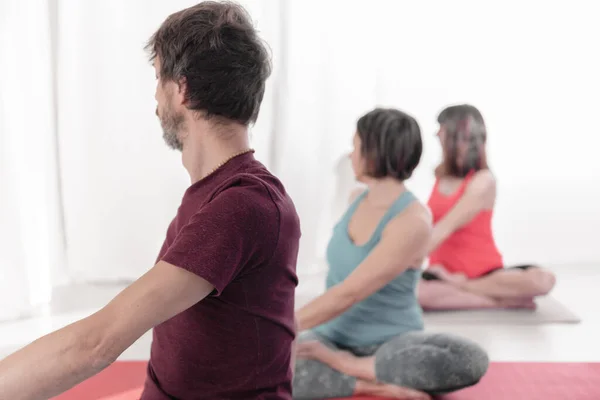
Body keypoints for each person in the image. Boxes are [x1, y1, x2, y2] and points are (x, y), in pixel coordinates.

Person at [0, 2, 301, 400]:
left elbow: (94, 344)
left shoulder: (243, 207)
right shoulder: (218, 194)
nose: (155, 97)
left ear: (182, 89)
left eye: (159, 79)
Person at [292, 108, 489, 400]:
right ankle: (370, 384)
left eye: (356, 146)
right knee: (259, 367)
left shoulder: (413, 220)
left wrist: (282, 327)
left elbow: (350, 292)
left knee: (470, 359)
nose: (351, 155)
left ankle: (350, 368)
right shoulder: (355, 199)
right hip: (329, 338)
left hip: (391, 346)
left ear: (373, 151)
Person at [418, 104, 556, 311]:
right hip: (441, 274)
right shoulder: (440, 178)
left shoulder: (483, 180)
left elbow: (445, 227)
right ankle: (498, 300)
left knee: (543, 280)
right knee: (418, 294)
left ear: (461, 133)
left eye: (442, 127)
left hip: (485, 272)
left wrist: (404, 261)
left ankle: (464, 287)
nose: (437, 133)